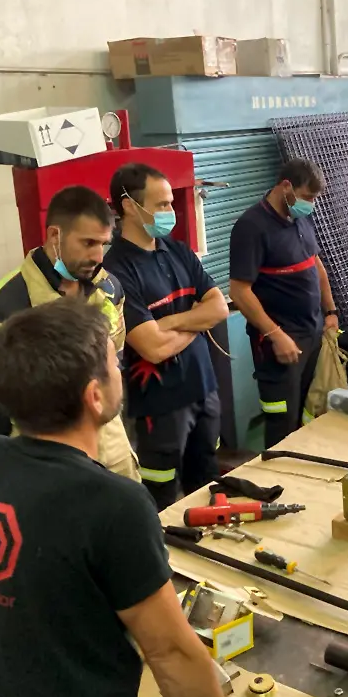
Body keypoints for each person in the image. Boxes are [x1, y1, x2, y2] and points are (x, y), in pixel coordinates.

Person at [0, 299, 224, 697]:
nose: (120, 368)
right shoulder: (112, 503)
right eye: (113, 361)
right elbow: (172, 653)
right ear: (94, 396)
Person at [0, 185, 139, 481]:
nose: (97, 256)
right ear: (55, 236)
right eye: (88, 243)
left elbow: (113, 365)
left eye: (103, 245)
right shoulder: (0, 309)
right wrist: (42, 431)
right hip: (47, 470)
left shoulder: (108, 289)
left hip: (114, 459)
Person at [103, 163, 229, 510]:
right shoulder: (115, 270)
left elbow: (219, 309)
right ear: (129, 206)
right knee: (161, 501)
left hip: (204, 389)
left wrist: (172, 322)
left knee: (207, 487)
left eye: (170, 203)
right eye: (161, 205)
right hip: (160, 407)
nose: (170, 213)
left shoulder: (178, 252)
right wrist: (196, 322)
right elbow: (152, 347)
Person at [229, 159, 337, 449]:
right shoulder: (251, 227)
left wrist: (331, 311)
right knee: (281, 420)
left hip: (312, 333)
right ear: (285, 186)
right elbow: (239, 291)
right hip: (279, 344)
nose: (310, 204)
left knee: (306, 409)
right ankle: (279, 483)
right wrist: (275, 334)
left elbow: (316, 265)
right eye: (307, 197)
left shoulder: (300, 216)